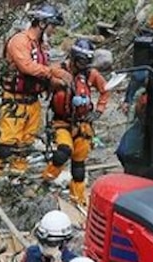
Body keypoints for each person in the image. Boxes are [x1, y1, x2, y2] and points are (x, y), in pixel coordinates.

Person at [0, 4, 72, 180]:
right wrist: (53, 71)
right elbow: (27, 67)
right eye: (52, 26)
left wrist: (57, 83)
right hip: (14, 102)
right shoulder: (20, 41)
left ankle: (16, 178)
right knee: (6, 145)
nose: (54, 30)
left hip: (33, 102)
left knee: (25, 144)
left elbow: (42, 74)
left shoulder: (41, 46)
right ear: (42, 23)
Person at [42, 38, 109, 205]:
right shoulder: (60, 69)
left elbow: (105, 90)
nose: (83, 65)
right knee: (63, 151)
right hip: (61, 122)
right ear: (73, 57)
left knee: (78, 165)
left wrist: (98, 111)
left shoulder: (90, 74)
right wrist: (57, 82)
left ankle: (77, 198)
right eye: (80, 61)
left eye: (86, 62)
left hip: (83, 123)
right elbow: (45, 76)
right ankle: (47, 178)